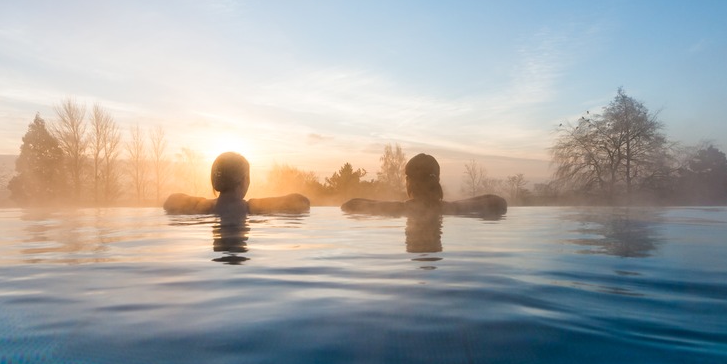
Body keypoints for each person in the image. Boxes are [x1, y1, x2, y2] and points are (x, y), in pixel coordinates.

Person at [340, 153, 507, 217]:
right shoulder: (452, 208)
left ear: (409, 181)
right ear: (437, 180)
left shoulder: (399, 209)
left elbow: (349, 205)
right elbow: (499, 202)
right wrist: (457, 204)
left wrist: (387, 204)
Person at [163, 152, 310, 217]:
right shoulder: (250, 208)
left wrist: (202, 202)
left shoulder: (203, 207)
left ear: (214, 180)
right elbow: (301, 202)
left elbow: (171, 201)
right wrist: (259, 204)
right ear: (245, 179)